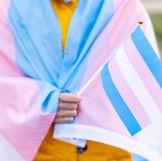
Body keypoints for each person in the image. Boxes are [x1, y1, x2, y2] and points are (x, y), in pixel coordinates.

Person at [33, 0, 131, 160]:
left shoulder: (123, 6)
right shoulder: (10, 9)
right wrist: (40, 102)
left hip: (105, 149)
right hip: (40, 151)